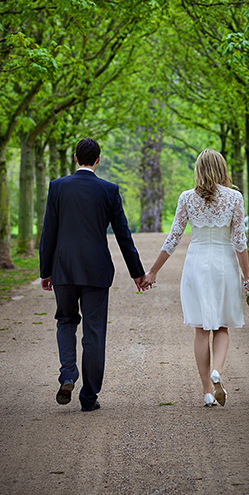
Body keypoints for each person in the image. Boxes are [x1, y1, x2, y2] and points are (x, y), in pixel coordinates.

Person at [142, 149, 249, 407]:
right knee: (221, 326)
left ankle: (207, 390)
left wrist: (153, 271)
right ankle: (217, 369)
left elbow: (173, 238)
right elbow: (240, 241)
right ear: (222, 169)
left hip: (196, 264)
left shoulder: (186, 198)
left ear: (198, 170)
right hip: (224, 265)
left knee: (200, 329)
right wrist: (247, 277)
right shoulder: (234, 198)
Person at [38, 138, 148, 412]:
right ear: (98, 159)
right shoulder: (108, 190)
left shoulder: (58, 187)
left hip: (63, 268)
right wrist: (137, 272)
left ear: (75, 158)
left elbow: (48, 231)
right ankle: (89, 396)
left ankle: (68, 375)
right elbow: (123, 234)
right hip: (97, 270)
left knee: (65, 320)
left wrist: (46, 270)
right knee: (94, 332)